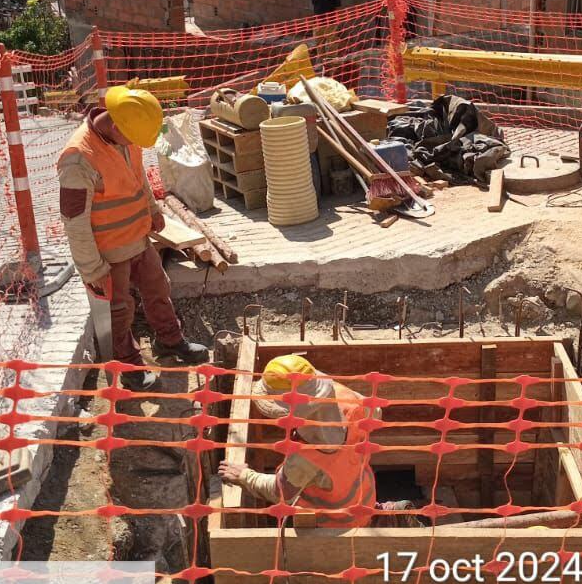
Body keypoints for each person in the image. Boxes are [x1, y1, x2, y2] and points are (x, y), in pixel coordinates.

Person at [57, 84, 208, 387]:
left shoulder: (127, 136)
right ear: (115, 124)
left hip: (139, 240)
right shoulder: (78, 159)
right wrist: (91, 269)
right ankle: (129, 369)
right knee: (119, 312)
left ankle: (170, 341)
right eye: (133, 138)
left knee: (159, 289)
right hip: (109, 253)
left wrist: (152, 209)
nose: (136, 144)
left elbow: (137, 179)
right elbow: (74, 222)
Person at [218, 354, 378, 527]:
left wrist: (245, 476)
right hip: (365, 497)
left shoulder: (307, 457)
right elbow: (376, 412)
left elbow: (281, 492)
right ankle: (381, 515)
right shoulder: (345, 396)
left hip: (336, 523)